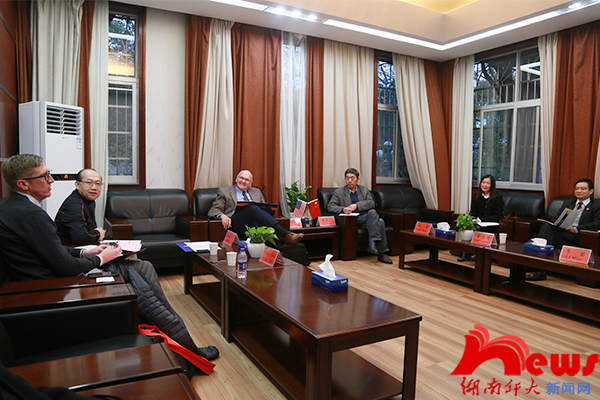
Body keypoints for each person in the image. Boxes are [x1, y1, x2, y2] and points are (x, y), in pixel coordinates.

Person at [0, 154, 218, 362]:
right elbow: (66, 267)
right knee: (140, 280)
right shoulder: (31, 213)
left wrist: (85, 252)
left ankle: (175, 338)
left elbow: (51, 249)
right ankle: (186, 346)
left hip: (52, 275)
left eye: (50, 174)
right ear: (23, 184)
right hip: (53, 285)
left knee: (144, 267)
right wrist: (102, 258)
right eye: (45, 176)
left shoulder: (15, 207)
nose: (51, 180)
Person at [527, 178, 600, 281]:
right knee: (547, 227)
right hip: (562, 232)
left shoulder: (596, 205)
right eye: (577, 188)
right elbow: (556, 218)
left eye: (583, 189)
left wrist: (576, 229)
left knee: (540, 240)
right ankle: (539, 268)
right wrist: (558, 223)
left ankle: (538, 268)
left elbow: (597, 223)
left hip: (578, 235)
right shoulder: (569, 203)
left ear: (591, 191)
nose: (579, 191)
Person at [208, 170, 303, 244]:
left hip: (253, 225)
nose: (243, 181)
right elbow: (214, 210)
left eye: (247, 180)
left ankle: (256, 253)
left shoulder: (257, 192)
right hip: (235, 224)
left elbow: (263, 211)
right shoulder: (224, 192)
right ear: (236, 179)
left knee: (257, 220)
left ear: (250, 183)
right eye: (241, 178)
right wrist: (222, 216)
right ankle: (285, 234)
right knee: (251, 208)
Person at [326, 168, 392, 264]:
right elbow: (330, 206)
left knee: (373, 213)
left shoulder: (364, 190)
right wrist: (343, 209)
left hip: (366, 218)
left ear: (357, 179)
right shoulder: (339, 192)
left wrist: (356, 205)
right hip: (352, 220)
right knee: (380, 222)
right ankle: (380, 251)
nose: (349, 180)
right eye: (347, 178)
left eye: (352, 178)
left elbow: (371, 203)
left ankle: (374, 244)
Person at [458, 174, 504, 262]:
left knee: (481, 229)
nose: (485, 185)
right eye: (483, 182)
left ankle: (477, 254)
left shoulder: (497, 197)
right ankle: (465, 252)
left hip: (492, 224)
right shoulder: (477, 195)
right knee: (467, 228)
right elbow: (473, 212)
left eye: (488, 183)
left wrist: (482, 219)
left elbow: (497, 215)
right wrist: (469, 219)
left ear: (492, 185)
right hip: (478, 223)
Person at [55, 168, 108, 245]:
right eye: (89, 182)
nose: (94, 187)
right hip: (68, 248)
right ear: (77, 184)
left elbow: (89, 228)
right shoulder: (74, 205)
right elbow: (80, 237)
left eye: (97, 183)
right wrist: (98, 233)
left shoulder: (88, 199)